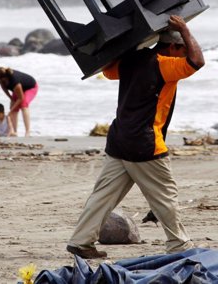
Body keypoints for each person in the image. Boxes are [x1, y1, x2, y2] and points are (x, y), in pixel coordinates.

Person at [66, 15, 205, 260]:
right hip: (145, 145)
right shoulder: (164, 64)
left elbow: (108, 71)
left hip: (119, 141)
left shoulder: (132, 60)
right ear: (173, 47)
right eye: (181, 50)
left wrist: (126, 47)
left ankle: (81, 242)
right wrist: (184, 28)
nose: (183, 56)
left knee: (102, 196)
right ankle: (179, 245)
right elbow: (197, 61)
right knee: (165, 197)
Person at [0, 67, 38, 137]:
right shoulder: (1, 79)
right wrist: (11, 99)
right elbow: (4, 89)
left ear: (3, 77)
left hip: (31, 87)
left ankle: (27, 131)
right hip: (18, 89)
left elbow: (21, 98)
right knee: (13, 108)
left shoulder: (14, 81)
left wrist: (11, 110)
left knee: (24, 105)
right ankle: (14, 131)